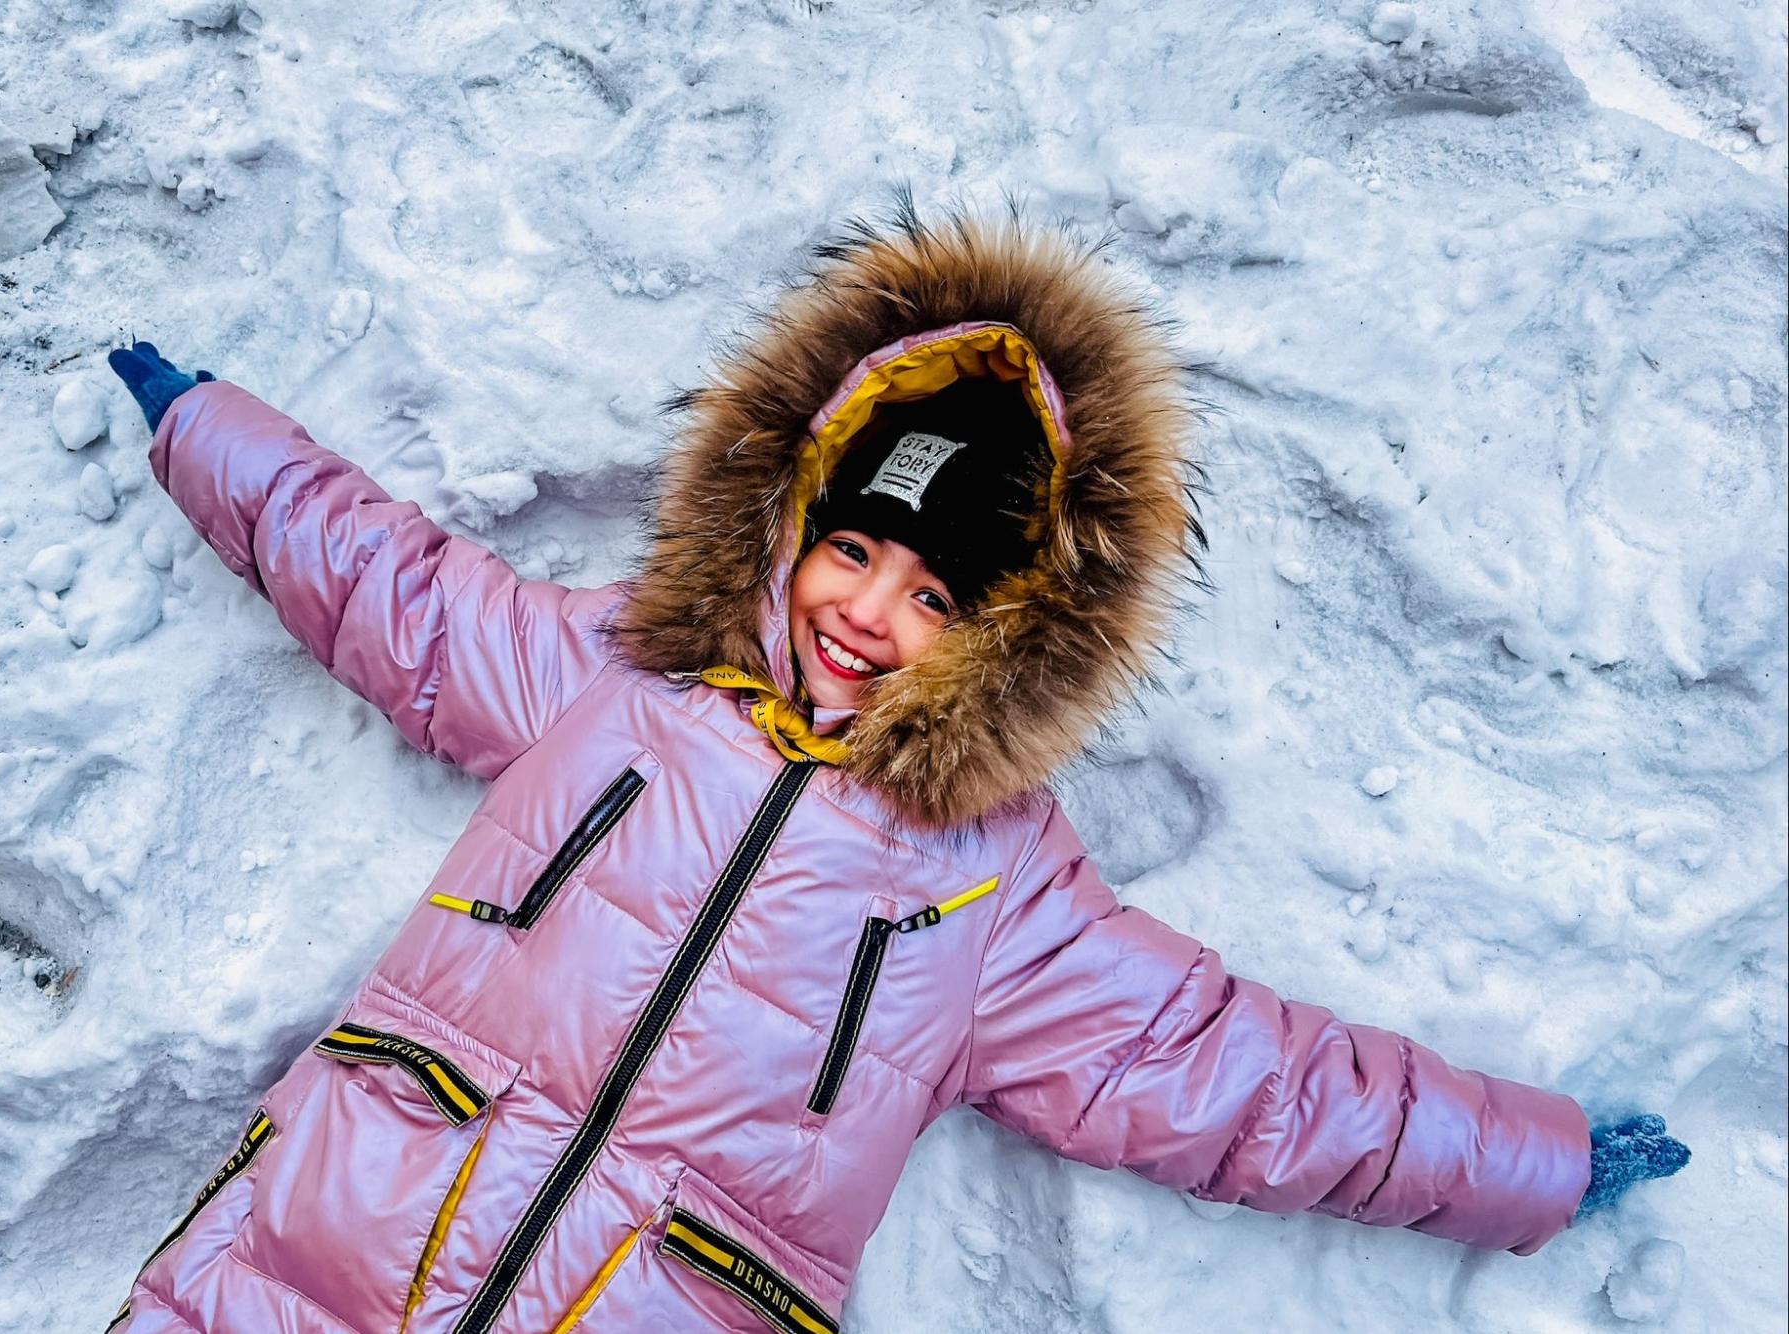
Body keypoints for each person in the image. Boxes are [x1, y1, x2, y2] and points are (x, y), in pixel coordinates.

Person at [102, 209, 1687, 1334]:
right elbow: (394, 593)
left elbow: (1243, 1079)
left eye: (937, 596)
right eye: (852, 548)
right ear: (788, 530)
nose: (867, 609)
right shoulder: (611, 680)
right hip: (316, 1252)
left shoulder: (995, 889)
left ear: (1014, 634)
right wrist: (210, 434)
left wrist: (1527, 1159)